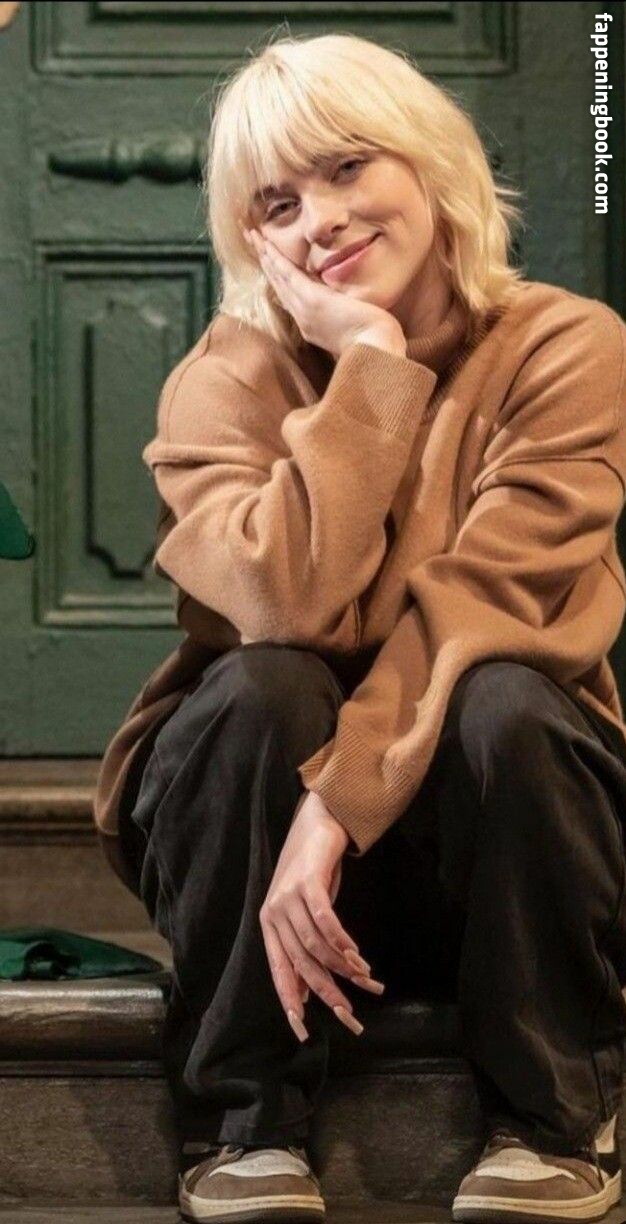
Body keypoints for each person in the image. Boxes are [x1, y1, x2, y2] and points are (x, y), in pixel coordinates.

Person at [94, 29, 626, 1224]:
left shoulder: (562, 346)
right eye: (276, 203)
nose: (320, 219)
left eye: (345, 168)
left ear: (428, 164)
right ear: (251, 243)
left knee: (504, 695)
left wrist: (334, 805)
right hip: (259, 869)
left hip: (495, 857)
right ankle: (243, 1124)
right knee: (262, 686)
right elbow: (281, 602)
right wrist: (371, 373)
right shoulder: (224, 380)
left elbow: (485, 602)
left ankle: (554, 1119)